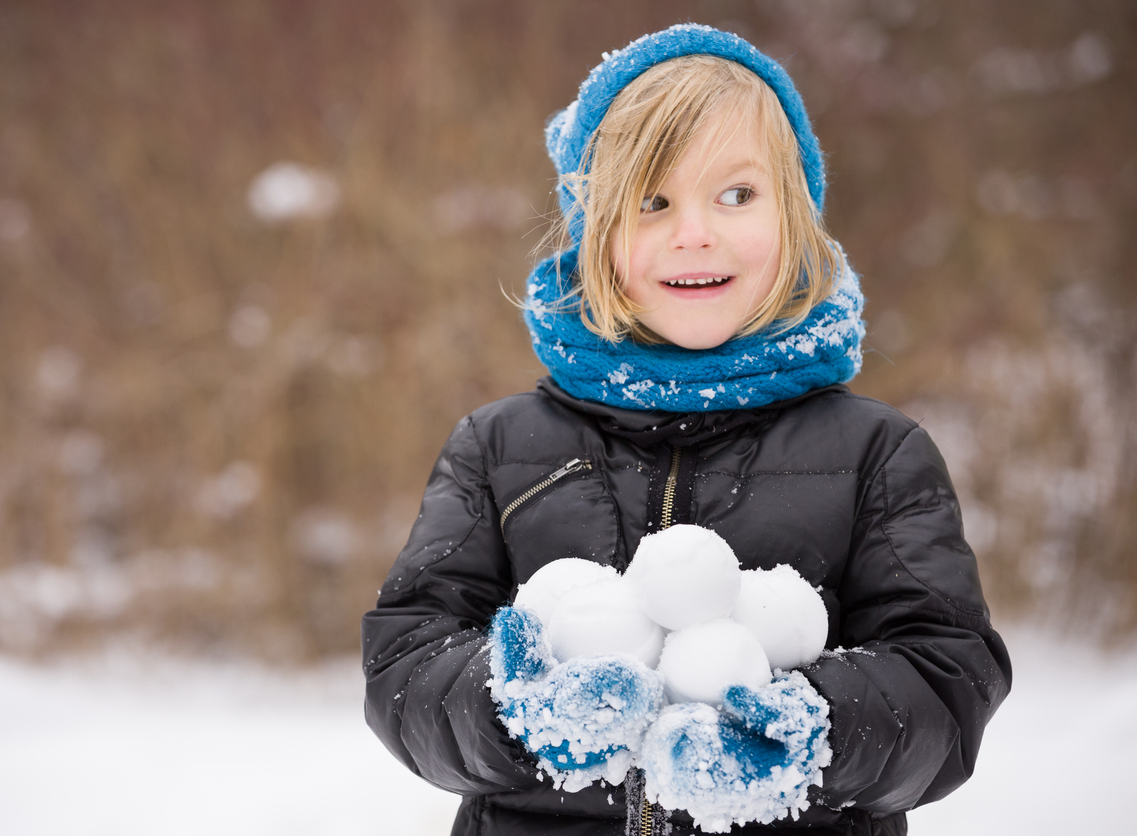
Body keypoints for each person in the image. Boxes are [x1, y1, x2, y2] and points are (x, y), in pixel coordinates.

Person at [362, 24, 1011, 836]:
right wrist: (513, 709)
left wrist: (814, 730)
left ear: (797, 217)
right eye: (653, 202)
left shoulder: (877, 455)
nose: (694, 231)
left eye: (736, 195)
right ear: (597, 233)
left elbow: (948, 679)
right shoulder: (497, 449)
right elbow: (404, 659)